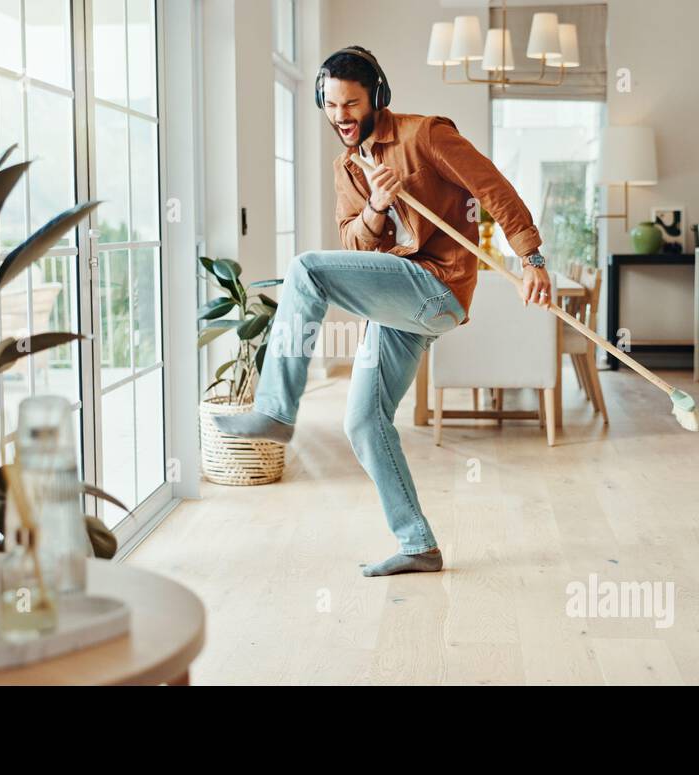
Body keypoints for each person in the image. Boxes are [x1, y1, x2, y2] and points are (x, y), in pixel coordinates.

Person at [214, 46, 551, 576]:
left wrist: (531, 258)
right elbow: (353, 247)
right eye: (330, 105)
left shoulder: (426, 135)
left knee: (304, 269)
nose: (340, 116)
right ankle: (419, 545)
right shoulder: (347, 167)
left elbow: (494, 188)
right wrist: (374, 205)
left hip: (436, 288)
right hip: (399, 303)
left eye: (350, 103)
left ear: (377, 97)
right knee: (365, 422)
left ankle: (276, 410)